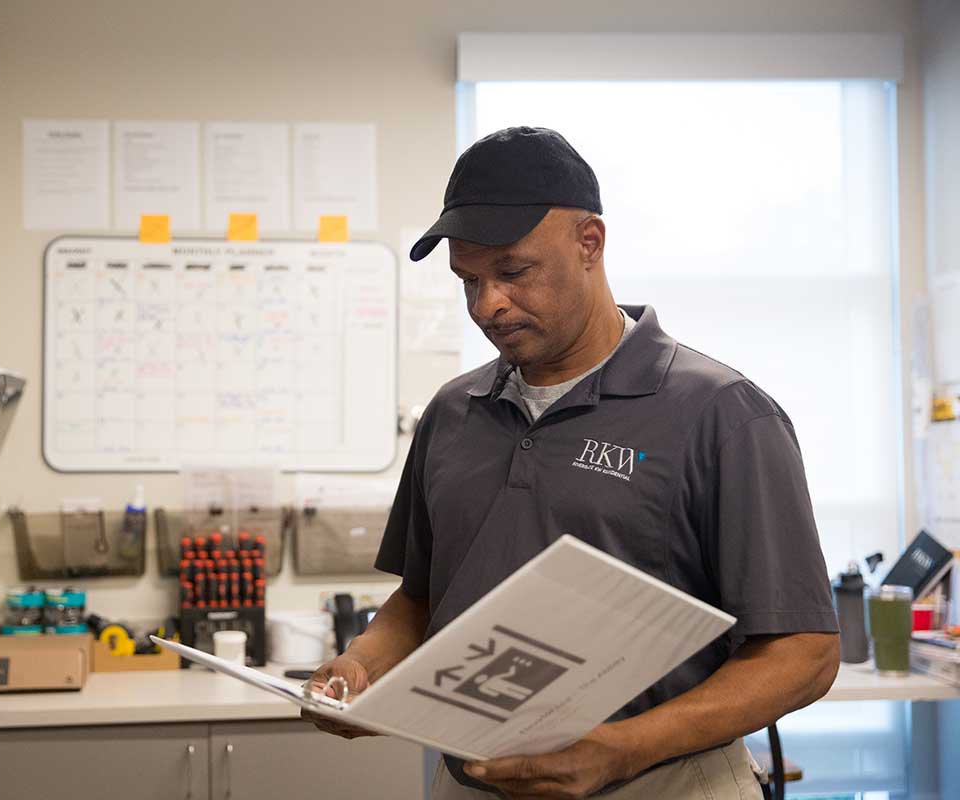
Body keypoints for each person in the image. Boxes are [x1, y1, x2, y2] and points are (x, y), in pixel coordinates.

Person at [304, 126, 841, 799]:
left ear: (590, 243)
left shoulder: (722, 413)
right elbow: (420, 600)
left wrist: (620, 750)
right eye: (467, 280)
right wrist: (360, 668)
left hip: (660, 781)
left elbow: (805, 656)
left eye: (513, 272)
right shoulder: (452, 412)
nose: (486, 304)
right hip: (471, 782)